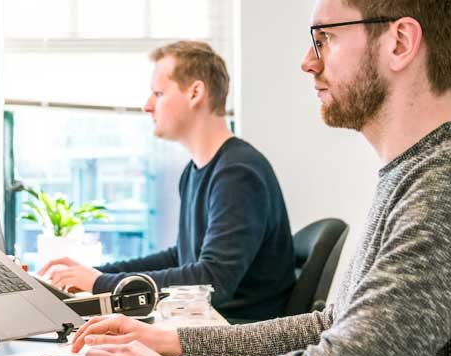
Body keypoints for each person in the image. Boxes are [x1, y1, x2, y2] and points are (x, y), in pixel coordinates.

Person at [67, 0, 451, 356]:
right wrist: (170, 340)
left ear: (399, 43)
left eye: (326, 38)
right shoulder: (416, 173)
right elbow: (330, 327)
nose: (308, 61)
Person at [39, 41, 296, 322]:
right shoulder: (196, 171)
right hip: (207, 324)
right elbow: (182, 257)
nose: (147, 106)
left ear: (195, 93)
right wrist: (98, 274)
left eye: (159, 93)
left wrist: (101, 284)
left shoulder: (238, 173)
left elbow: (213, 282)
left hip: (235, 335)